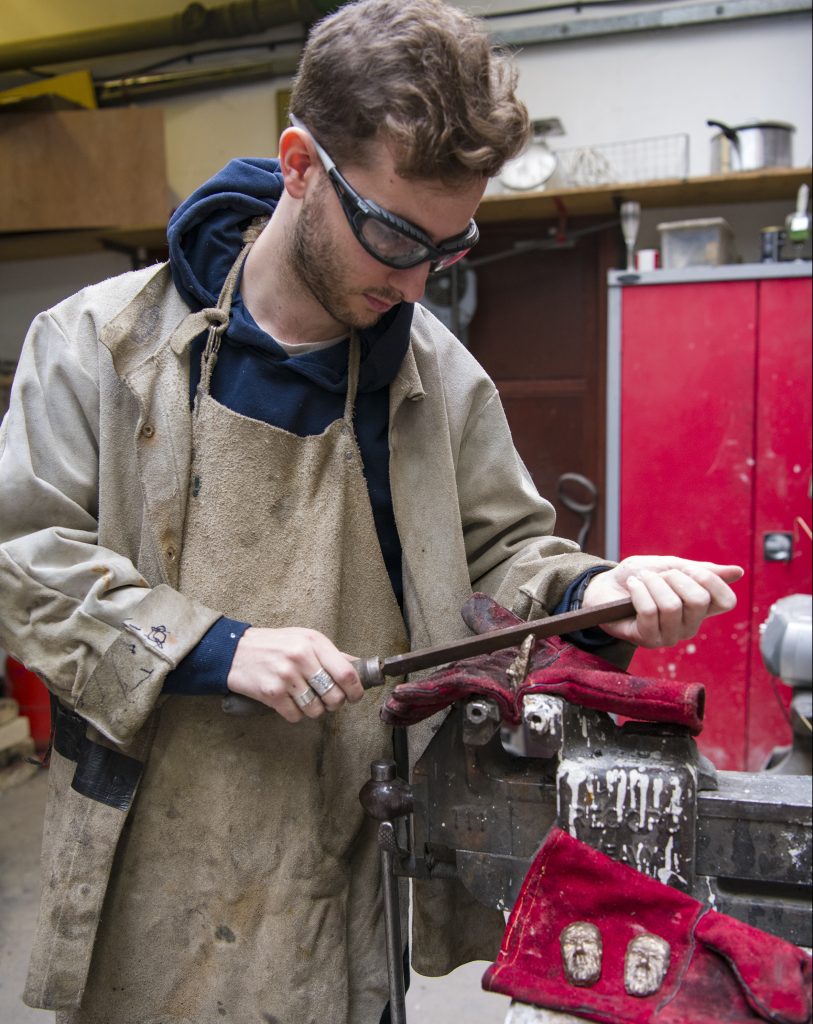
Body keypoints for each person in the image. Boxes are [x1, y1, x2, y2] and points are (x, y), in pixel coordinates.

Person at [0, 1, 741, 1021]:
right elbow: (25, 556)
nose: (416, 277)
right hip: (154, 854)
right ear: (299, 165)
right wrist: (214, 646)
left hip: (347, 849)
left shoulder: (435, 377)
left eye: (449, 244)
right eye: (393, 234)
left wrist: (592, 589)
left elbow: (503, 551)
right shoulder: (96, 346)